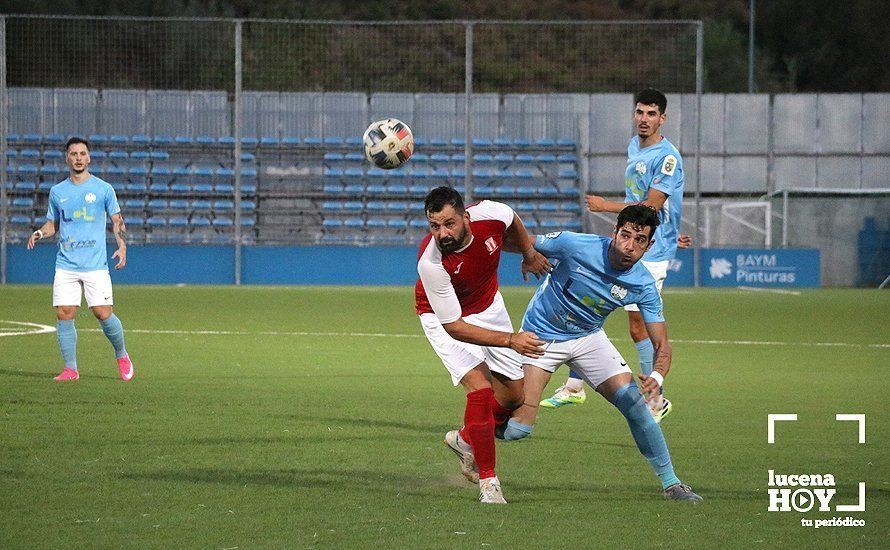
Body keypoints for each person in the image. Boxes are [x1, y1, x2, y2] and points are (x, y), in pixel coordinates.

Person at [502, 205, 701, 502]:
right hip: (540, 337)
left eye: (639, 240)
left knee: (635, 404)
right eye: (625, 235)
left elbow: (662, 344)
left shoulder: (643, 284)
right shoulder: (574, 244)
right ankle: (470, 437)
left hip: (587, 338)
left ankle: (672, 483)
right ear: (614, 232)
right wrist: (529, 254)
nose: (629, 246)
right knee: (518, 429)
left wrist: (657, 376)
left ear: (649, 245)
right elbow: (514, 239)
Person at [543, 88, 686, 423]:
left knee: (639, 327)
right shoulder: (634, 146)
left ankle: (656, 399)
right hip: (631, 244)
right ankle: (575, 387)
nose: (644, 119)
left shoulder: (667, 158)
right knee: (590, 300)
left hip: (651, 252)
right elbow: (641, 198)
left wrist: (605, 206)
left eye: (652, 114)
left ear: (662, 119)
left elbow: (651, 205)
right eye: (640, 112)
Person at [415, 186, 550, 504]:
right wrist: (510, 341)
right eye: (435, 226)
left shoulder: (491, 214)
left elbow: (511, 218)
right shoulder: (431, 263)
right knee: (480, 388)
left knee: (514, 395)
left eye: (449, 223)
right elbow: (456, 328)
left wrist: (529, 253)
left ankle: (465, 439)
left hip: (489, 306)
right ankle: (489, 482)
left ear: (465, 216)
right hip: (443, 317)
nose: (442, 233)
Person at [26, 137, 134, 382]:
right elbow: (53, 224)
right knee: (65, 312)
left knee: (102, 313)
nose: (78, 157)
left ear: (89, 158)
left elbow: (117, 220)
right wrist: (41, 232)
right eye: (73, 153)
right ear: (67, 157)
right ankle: (71, 369)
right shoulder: (57, 192)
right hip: (66, 263)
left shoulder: (103, 189)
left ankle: (121, 354)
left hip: (95, 264)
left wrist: (122, 246)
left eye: (82, 153)